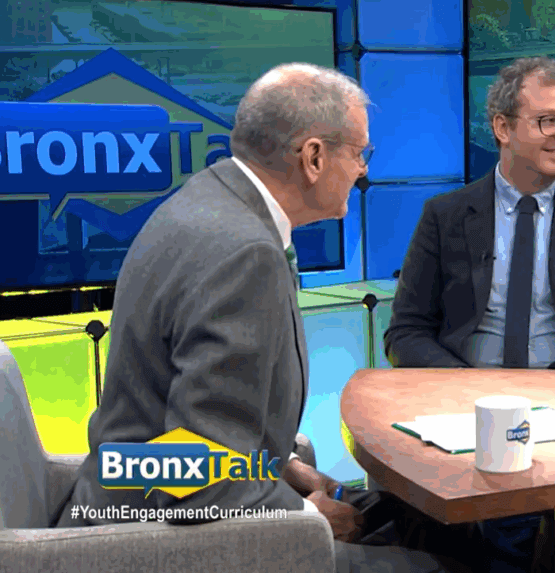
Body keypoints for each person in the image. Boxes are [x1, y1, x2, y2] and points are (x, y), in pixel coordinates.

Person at [54, 63, 472, 573]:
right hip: (159, 540)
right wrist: (302, 516)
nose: (363, 170)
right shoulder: (243, 253)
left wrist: (285, 469)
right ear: (314, 157)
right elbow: (198, 482)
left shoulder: (207, 201)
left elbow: (194, 431)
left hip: (139, 496)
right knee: (457, 561)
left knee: (427, 522)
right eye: (359, 153)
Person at [384, 57, 555, 572]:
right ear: (502, 128)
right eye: (548, 121)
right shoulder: (445, 216)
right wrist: (468, 391)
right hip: (462, 408)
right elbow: (406, 331)